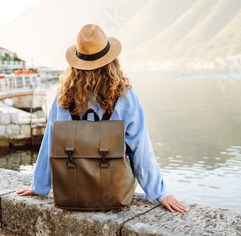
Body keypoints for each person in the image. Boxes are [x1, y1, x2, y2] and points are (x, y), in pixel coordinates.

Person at [16, 24, 188, 214]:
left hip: (70, 192)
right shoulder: (125, 97)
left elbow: (50, 143)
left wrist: (39, 186)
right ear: (111, 61)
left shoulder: (63, 98)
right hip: (114, 192)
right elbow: (141, 148)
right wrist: (159, 192)